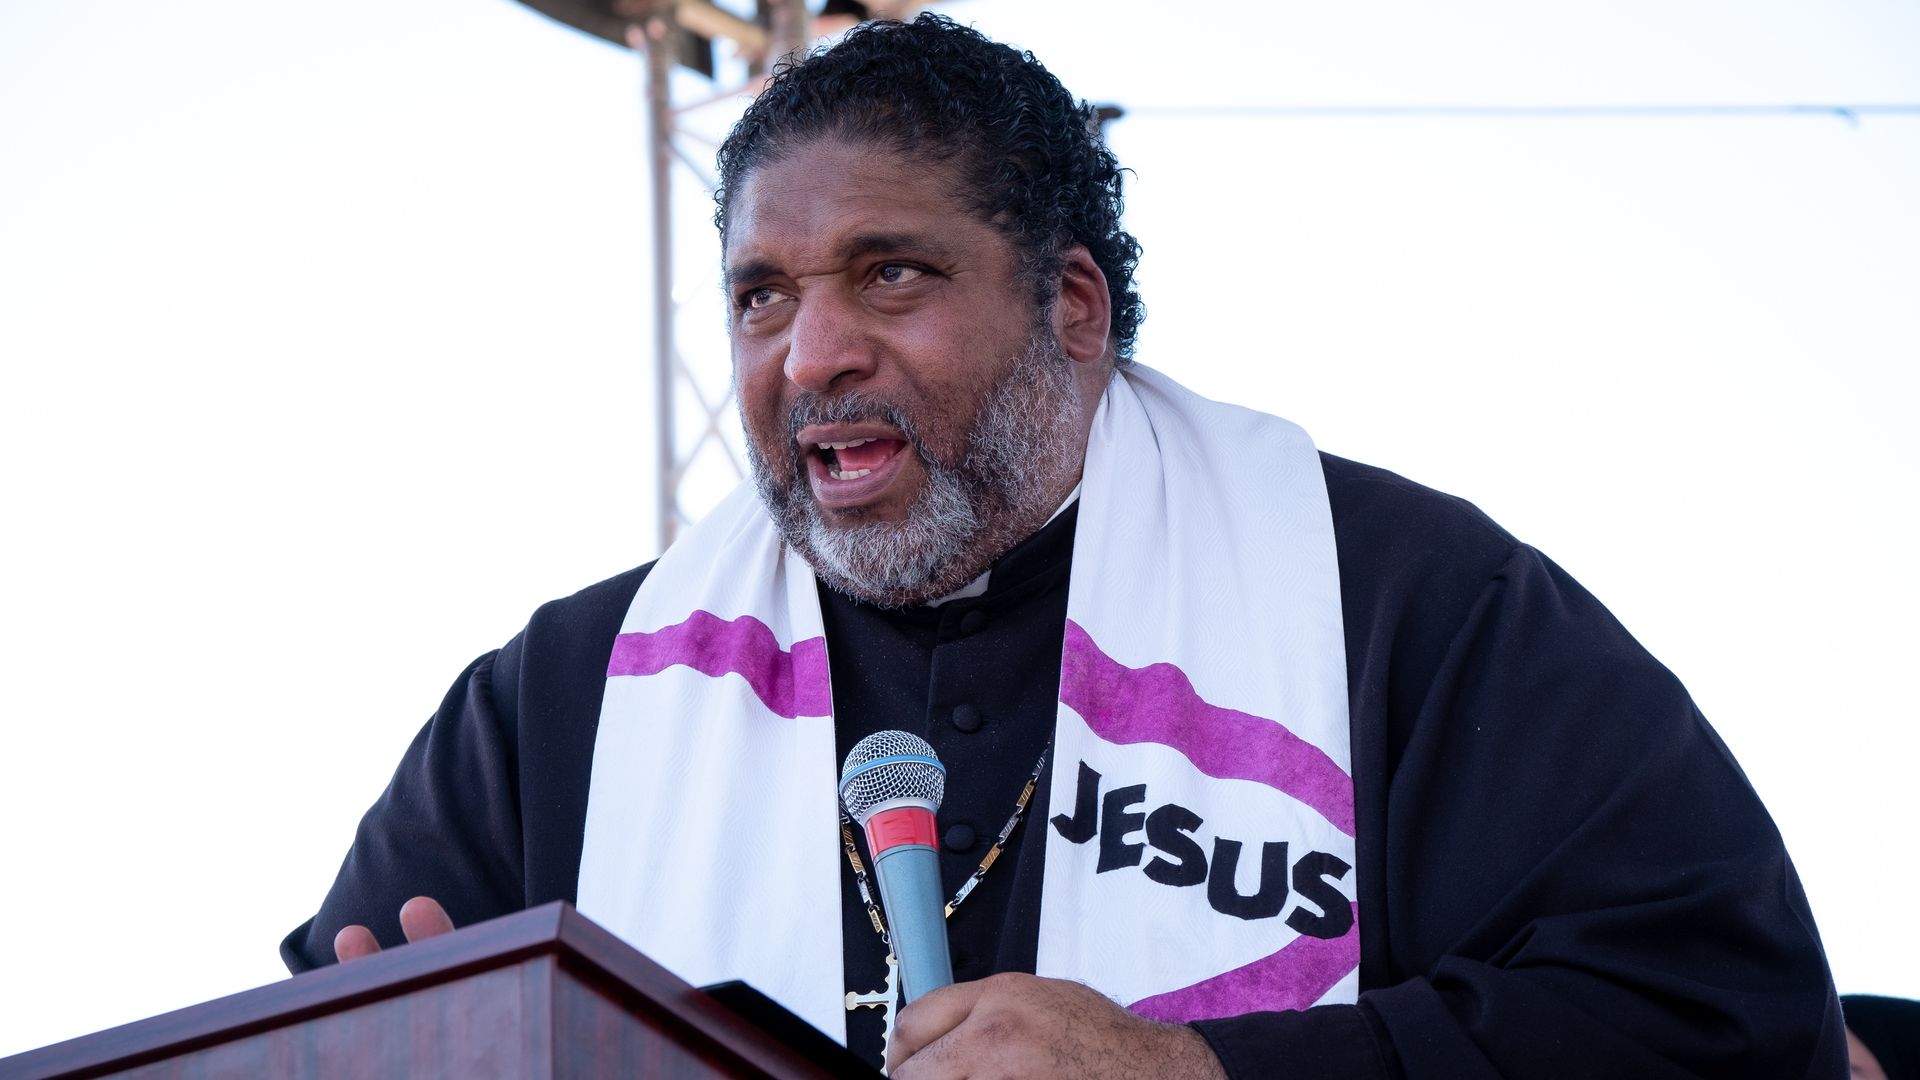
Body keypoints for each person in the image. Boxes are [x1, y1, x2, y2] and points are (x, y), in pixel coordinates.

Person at [284, 14, 1846, 1078]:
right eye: (762, 294)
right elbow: (319, 1017)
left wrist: (1199, 1068)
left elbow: (1724, 1017)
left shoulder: (1409, 608)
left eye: (888, 275)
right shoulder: (566, 700)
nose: (807, 352)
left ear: (1073, 310)